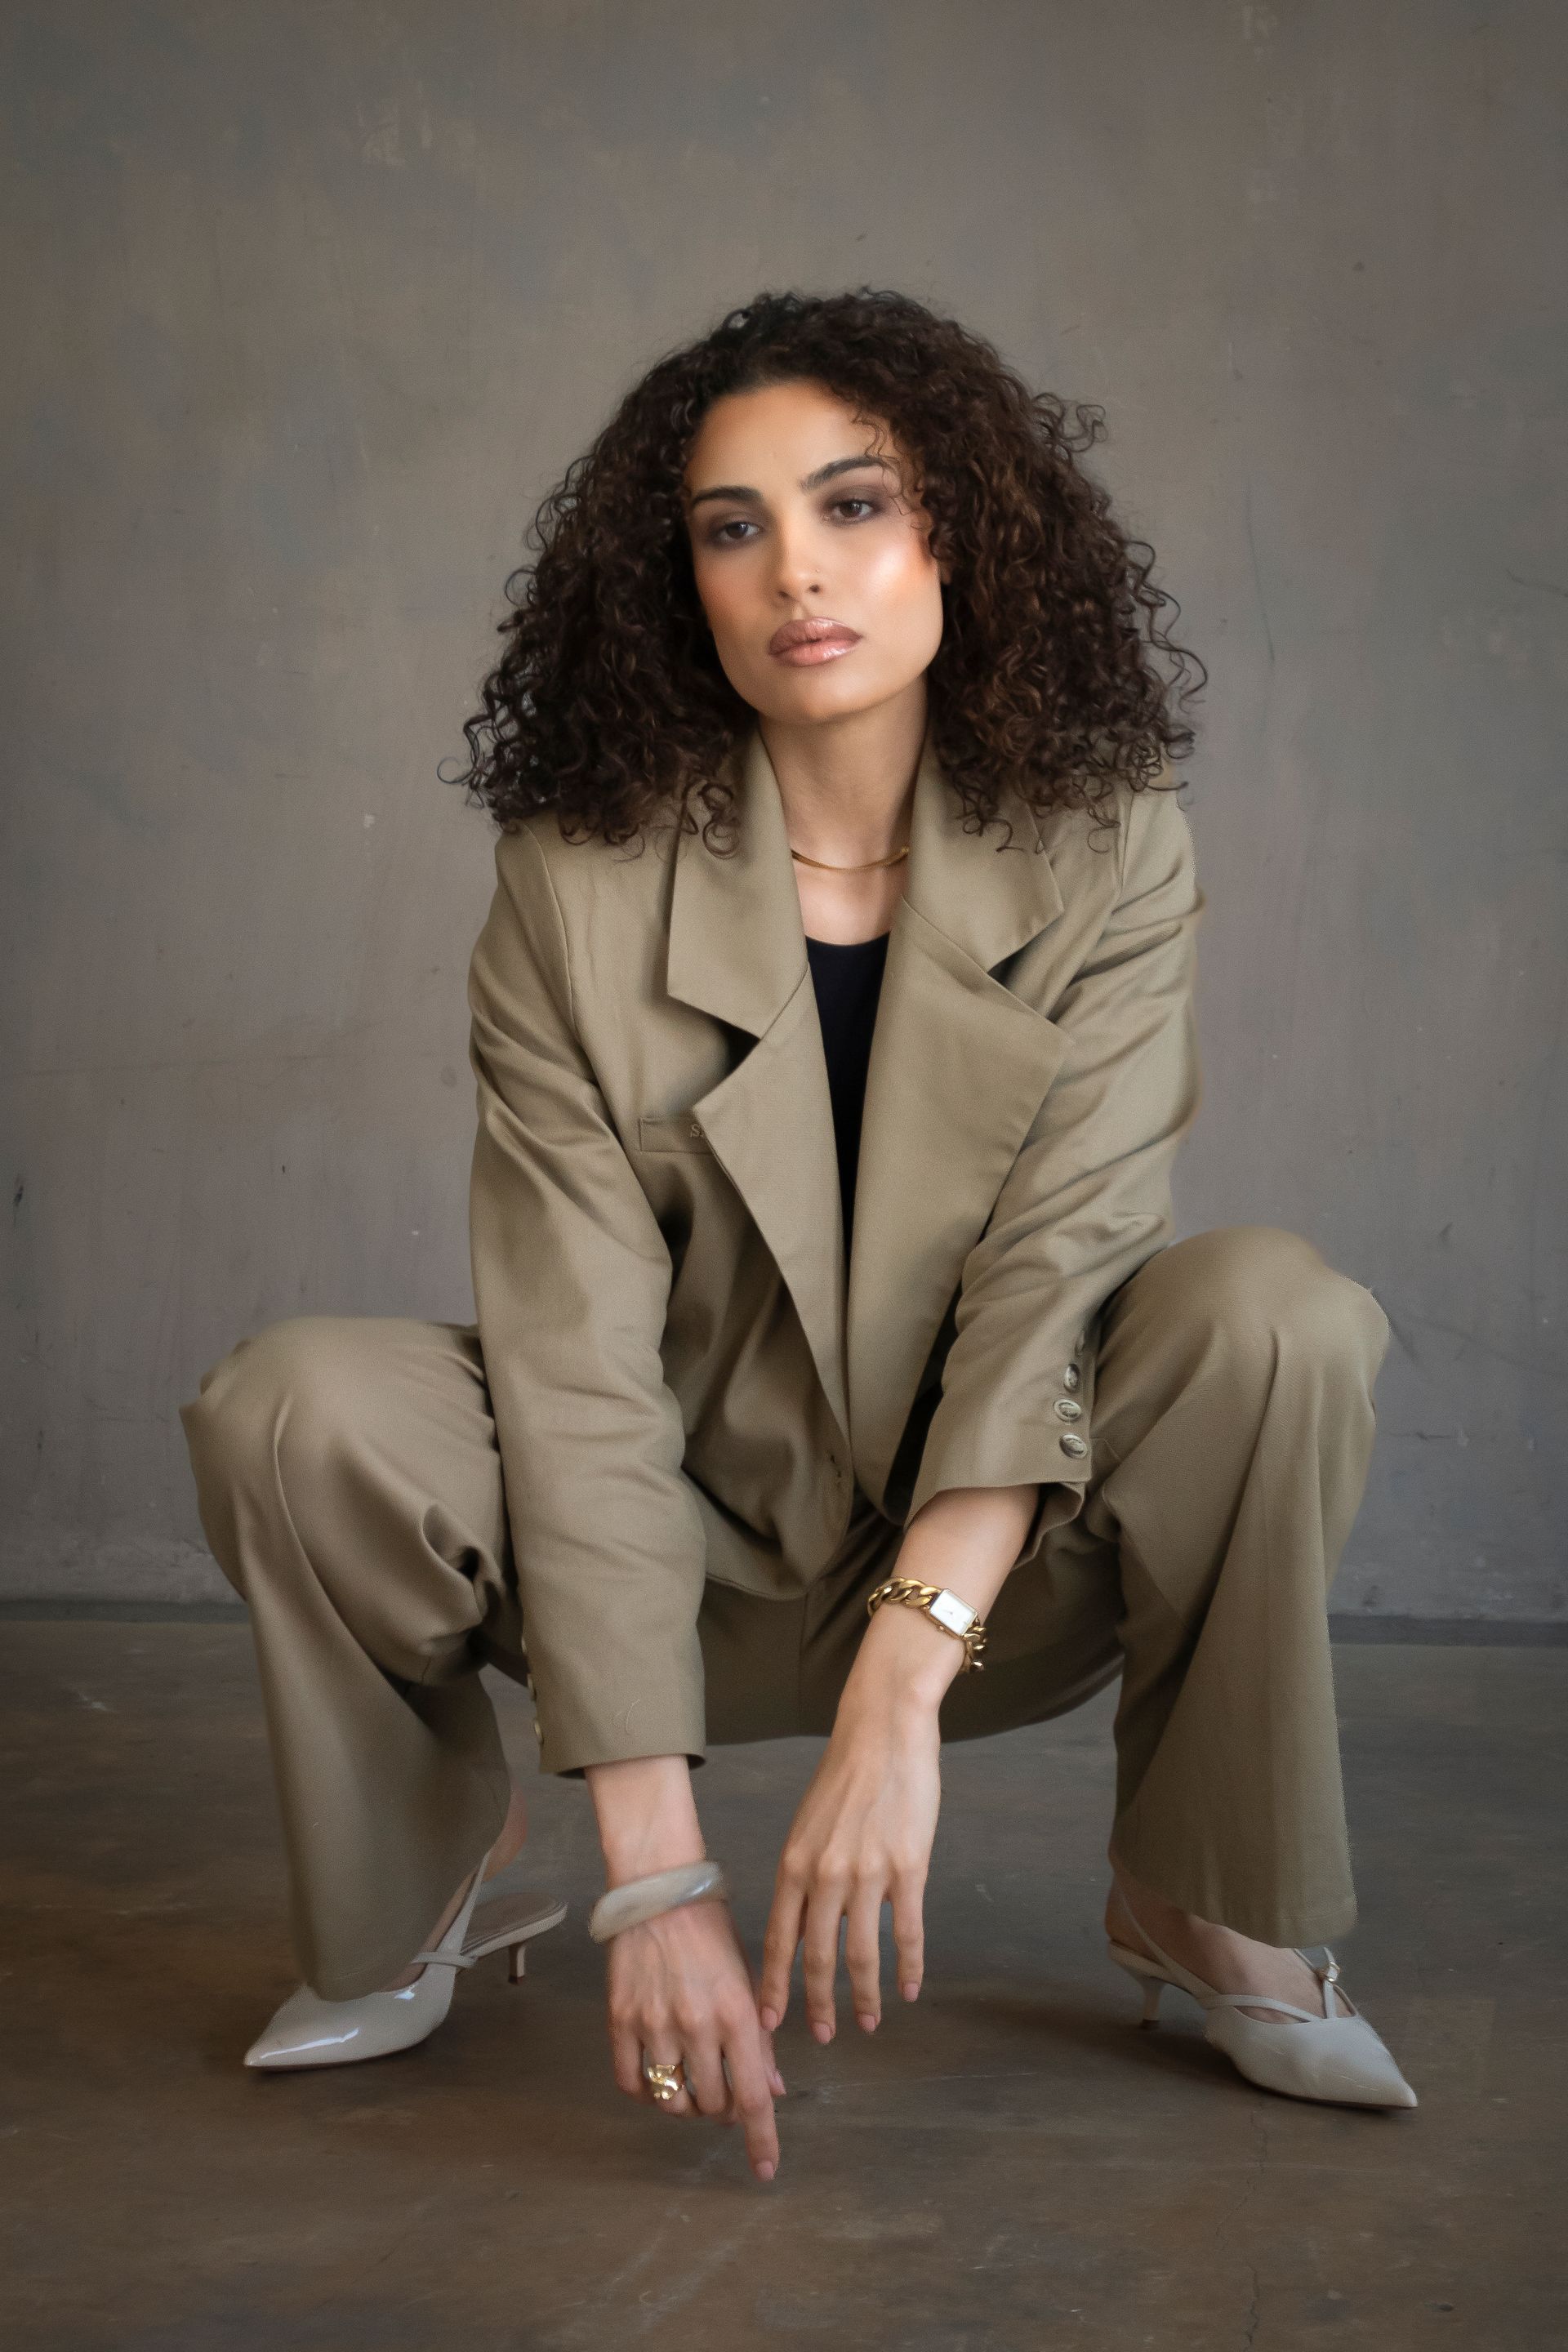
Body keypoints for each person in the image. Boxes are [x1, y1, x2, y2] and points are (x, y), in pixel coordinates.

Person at [179, 287, 1415, 2187]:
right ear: (678, 580)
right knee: (293, 1406)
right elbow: (569, 1357)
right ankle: (437, 1879)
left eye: (854, 505)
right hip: (679, 1566)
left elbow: (1054, 1286)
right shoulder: (571, 888)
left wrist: (902, 1698)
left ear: (964, 538)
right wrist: (655, 1875)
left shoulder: (1110, 842)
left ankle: (1206, 1893)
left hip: (1006, 1563)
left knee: (1278, 1319)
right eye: (730, 526)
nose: (794, 573)